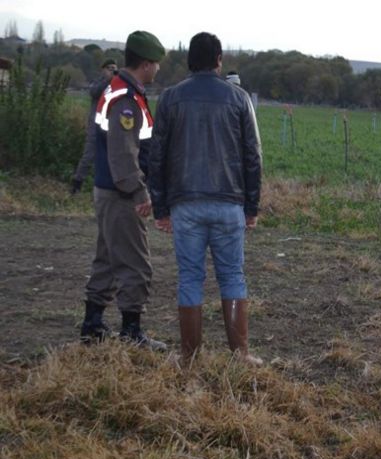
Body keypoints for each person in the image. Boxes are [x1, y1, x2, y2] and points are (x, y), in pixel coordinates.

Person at [148, 32, 263, 364]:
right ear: (219, 60)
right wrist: (251, 207)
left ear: (188, 60)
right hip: (229, 205)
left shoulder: (169, 99)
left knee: (190, 277)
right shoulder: (239, 98)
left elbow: (157, 156)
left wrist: (161, 207)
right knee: (232, 276)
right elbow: (252, 156)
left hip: (185, 205)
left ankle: (189, 356)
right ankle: (240, 355)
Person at [79, 31, 167, 351]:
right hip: (121, 195)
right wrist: (139, 192)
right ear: (145, 64)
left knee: (106, 259)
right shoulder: (126, 100)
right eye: (156, 64)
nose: (157, 69)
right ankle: (131, 332)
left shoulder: (117, 90)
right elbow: (123, 153)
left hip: (107, 190)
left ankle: (93, 325)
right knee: (135, 263)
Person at [70, 58, 118, 195]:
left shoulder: (116, 84)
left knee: (111, 156)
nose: (112, 71)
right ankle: (76, 185)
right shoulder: (99, 82)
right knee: (88, 155)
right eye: (109, 68)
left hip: (110, 125)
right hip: (95, 124)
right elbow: (94, 92)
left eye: (114, 68)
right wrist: (108, 80)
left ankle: (107, 186)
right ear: (102, 70)